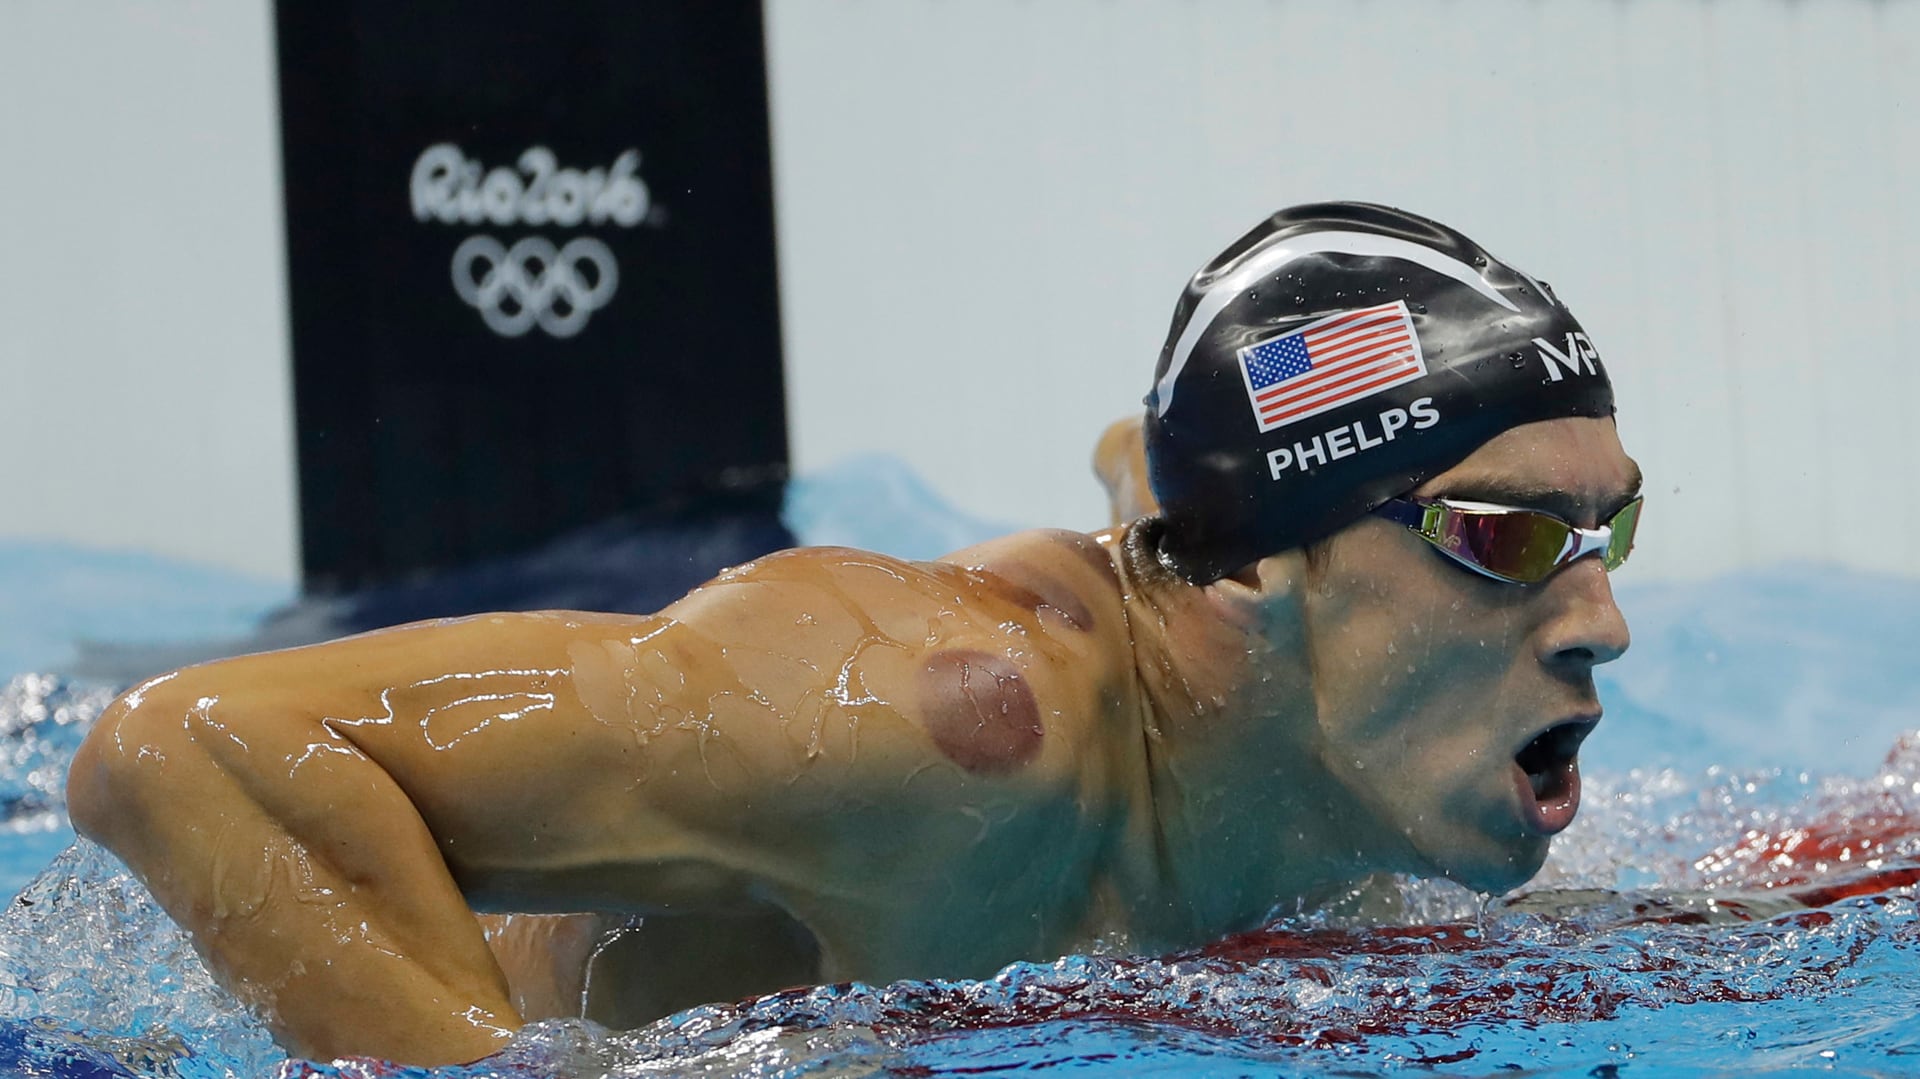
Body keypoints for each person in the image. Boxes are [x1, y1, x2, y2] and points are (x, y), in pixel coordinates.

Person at [65, 202, 1642, 1066]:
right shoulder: (918, 724)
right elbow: (189, 748)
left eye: (1608, 528)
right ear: (1250, 580)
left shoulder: (1344, 741)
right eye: (1506, 538)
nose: (1608, 625)